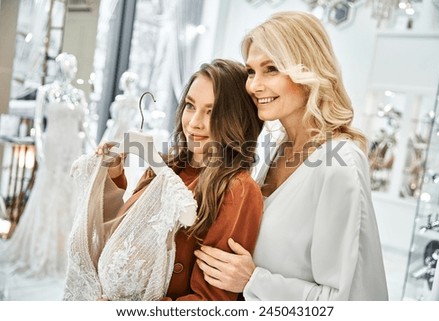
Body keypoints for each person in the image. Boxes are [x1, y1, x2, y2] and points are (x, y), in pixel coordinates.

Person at [194, 11, 389, 301]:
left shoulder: (340, 163)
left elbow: (345, 301)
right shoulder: (276, 149)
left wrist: (253, 280)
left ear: (308, 71)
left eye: (271, 69)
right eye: (251, 71)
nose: (254, 85)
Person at [63, 59, 264, 300]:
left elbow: (211, 302)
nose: (194, 123)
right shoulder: (166, 166)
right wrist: (115, 176)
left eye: (212, 111)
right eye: (190, 106)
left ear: (237, 119)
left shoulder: (237, 189)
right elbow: (123, 240)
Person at [0, 52, 93, 279]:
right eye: (68, 65)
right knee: (48, 194)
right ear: (60, 67)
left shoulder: (79, 95)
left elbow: (86, 126)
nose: (71, 69)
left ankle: (65, 252)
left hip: (72, 149)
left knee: (69, 197)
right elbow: (38, 125)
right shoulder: (46, 92)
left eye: (74, 65)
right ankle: (43, 250)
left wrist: (93, 150)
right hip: (52, 148)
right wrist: (40, 150)